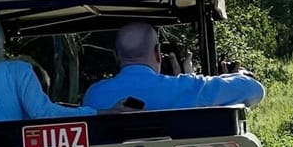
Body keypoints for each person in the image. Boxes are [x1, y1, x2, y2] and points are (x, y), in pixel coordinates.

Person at [81, 22, 265, 111]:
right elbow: (254, 89)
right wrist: (226, 78)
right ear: (158, 53)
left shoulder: (94, 95)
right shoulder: (187, 88)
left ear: (116, 56)